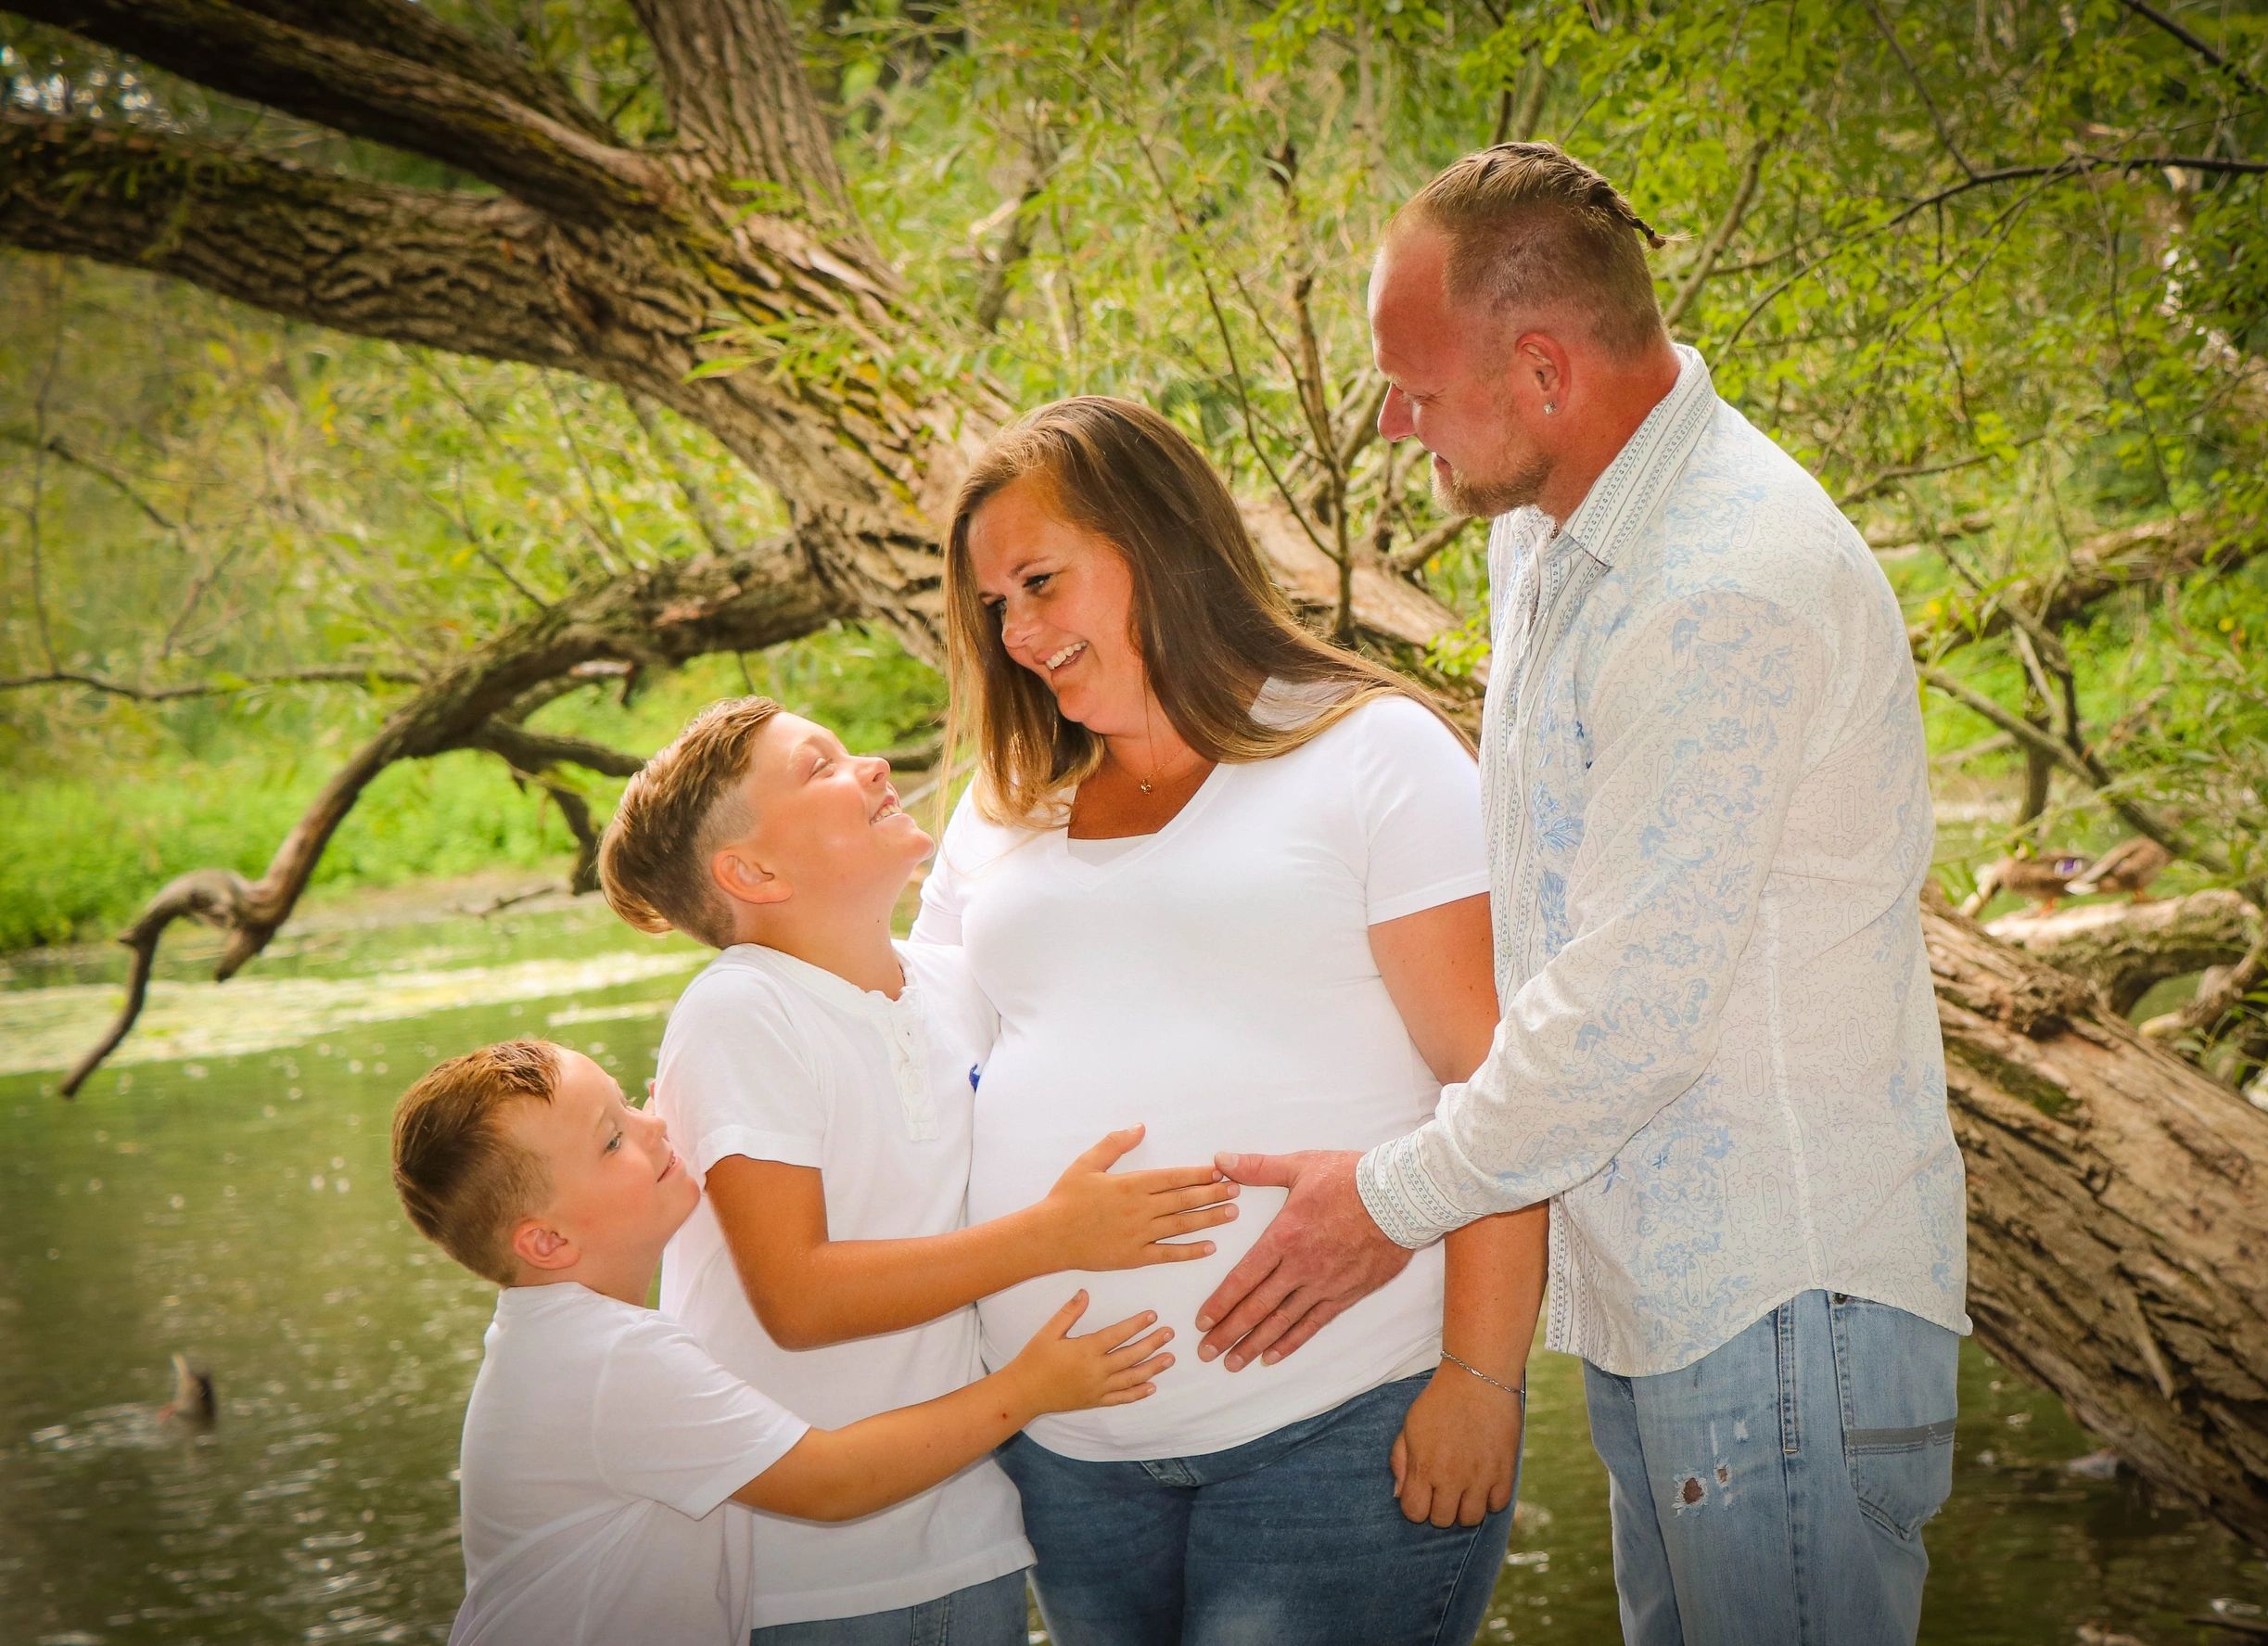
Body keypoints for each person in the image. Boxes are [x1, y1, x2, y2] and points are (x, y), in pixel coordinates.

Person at [1193, 143, 1972, 1646]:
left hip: (1780, 1311)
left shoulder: (1721, 582)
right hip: (1661, 1308)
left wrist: (1386, 1199)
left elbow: (1629, 1015)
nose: (1391, 421)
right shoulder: (1545, 537)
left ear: (1542, 368)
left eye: (1413, 386)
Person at [920, 395, 1549, 1646]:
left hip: (1339, 1424)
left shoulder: (1366, 751)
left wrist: (1483, 1377)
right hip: (1065, 1457)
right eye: (997, 606)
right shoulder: (1005, 805)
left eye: (1042, 581)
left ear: (1156, 541)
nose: (1023, 632)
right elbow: (920, 1059)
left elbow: (1500, 1080)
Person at [597, 696, 1241, 1644]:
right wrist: (1056, 1235)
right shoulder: (740, 1007)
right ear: (753, 870)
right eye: (816, 767)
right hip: (796, 1583)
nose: (869, 764)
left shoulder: (947, 982)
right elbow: (798, 1296)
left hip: (968, 1537)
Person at [388, 1037, 1173, 1646]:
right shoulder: (606, 1360)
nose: (656, 1123)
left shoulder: (558, 1340)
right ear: (547, 1241)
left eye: (631, 1102)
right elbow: (831, 1483)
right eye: (613, 1139)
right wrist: (1031, 1387)